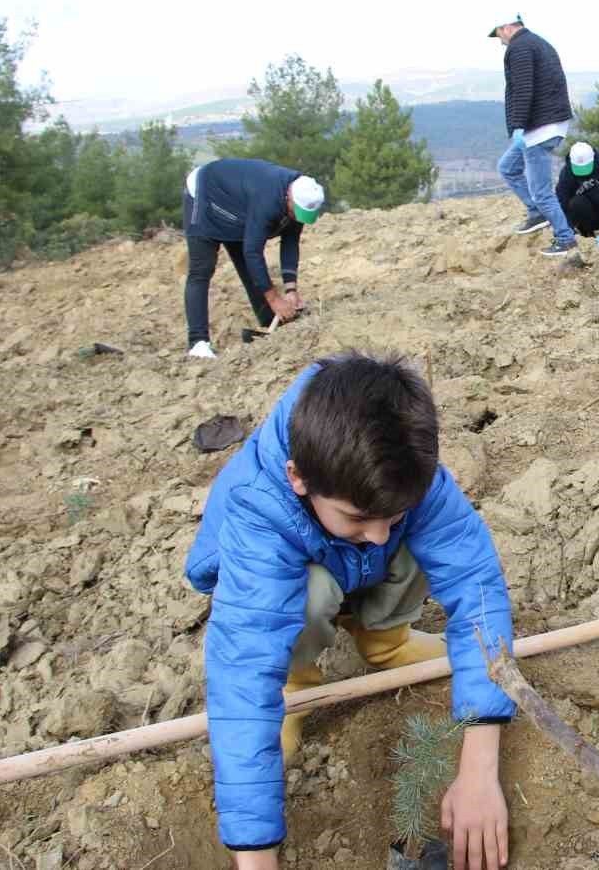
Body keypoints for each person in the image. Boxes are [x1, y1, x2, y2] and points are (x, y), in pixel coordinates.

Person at [184, 352, 515, 870]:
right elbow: (244, 672)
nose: (379, 534)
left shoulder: (401, 465)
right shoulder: (259, 514)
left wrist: (479, 769)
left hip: (355, 567)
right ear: (298, 478)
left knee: (422, 541)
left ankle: (385, 641)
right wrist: (254, 856)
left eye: (393, 515)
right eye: (358, 516)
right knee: (309, 593)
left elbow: (475, 586)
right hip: (294, 581)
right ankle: (296, 681)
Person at [183, 158, 323, 359]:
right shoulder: (267, 200)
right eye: (296, 212)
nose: (296, 217)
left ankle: (268, 321)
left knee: (250, 268)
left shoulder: (300, 196)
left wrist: (291, 289)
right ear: (289, 199)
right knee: (201, 270)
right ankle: (198, 343)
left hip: (236, 203)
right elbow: (253, 252)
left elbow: (290, 242)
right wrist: (274, 299)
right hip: (205, 192)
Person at [490, 14, 577, 257]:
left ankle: (565, 238)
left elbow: (523, 89)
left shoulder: (520, 48)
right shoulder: (538, 42)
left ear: (506, 27)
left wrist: (518, 125)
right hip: (547, 123)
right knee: (508, 167)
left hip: (539, 129)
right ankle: (537, 213)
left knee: (541, 191)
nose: (499, 40)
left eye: (497, 34)